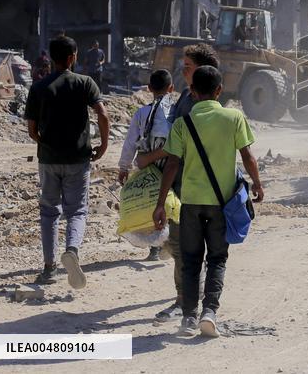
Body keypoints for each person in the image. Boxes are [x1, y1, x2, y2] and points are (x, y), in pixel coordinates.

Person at [154, 66, 263, 338]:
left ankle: (189, 318)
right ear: (219, 90)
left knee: (190, 260)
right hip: (221, 204)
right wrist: (258, 184)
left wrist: (160, 204)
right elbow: (247, 156)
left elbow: (171, 165)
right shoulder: (234, 118)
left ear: (192, 92)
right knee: (217, 259)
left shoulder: (183, 123)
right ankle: (209, 313)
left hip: (190, 204)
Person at [24, 35, 110, 287]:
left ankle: (49, 268)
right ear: (73, 58)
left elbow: (31, 129)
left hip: (49, 159)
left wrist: (44, 142)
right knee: (77, 211)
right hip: (78, 159)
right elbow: (103, 115)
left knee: (49, 212)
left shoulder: (38, 87)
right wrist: (103, 145)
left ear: (51, 58)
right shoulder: (85, 83)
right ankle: (72, 250)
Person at [117, 69, 175, 269]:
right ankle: (170, 241)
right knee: (170, 201)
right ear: (172, 88)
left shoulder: (142, 114)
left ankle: (155, 246)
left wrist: (124, 167)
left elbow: (130, 143)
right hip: (171, 165)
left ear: (149, 89)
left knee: (152, 201)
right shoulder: (175, 112)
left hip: (148, 164)